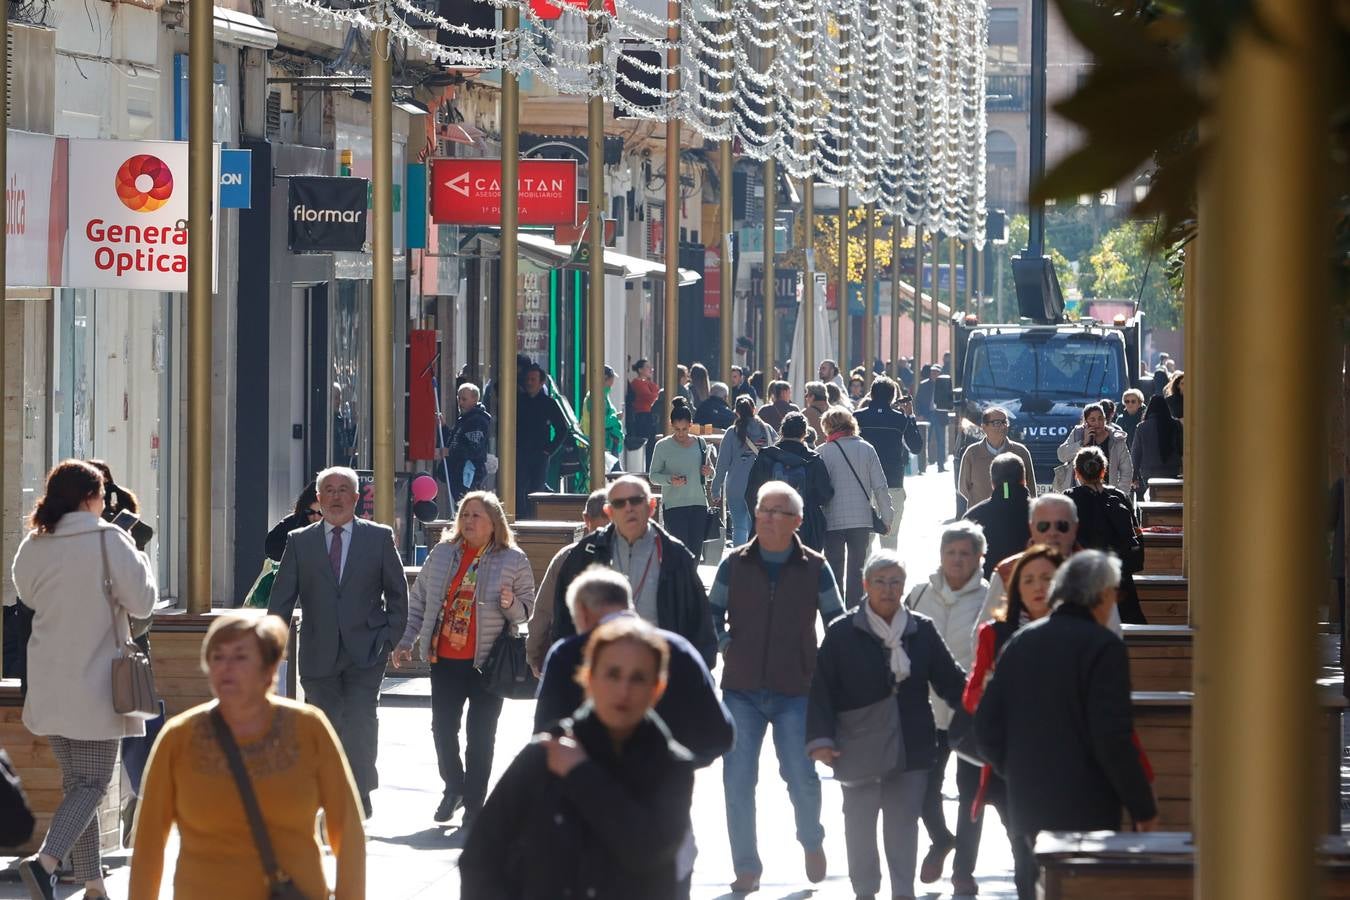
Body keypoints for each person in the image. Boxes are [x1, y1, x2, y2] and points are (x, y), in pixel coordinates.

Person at [129, 614, 364, 900]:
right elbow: (149, 844)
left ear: (269, 669)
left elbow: (349, 831)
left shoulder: (309, 728)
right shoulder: (178, 738)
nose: (226, 667)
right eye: (217, 657)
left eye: (240, 657)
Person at [459, 617, 696, 900]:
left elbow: (648, 848)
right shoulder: (543, 756)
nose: (624, 690)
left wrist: (580, 772)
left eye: (638, 678)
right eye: (613, 674)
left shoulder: (671, 766)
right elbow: (480, 856)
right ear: (589, 679)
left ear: (656, 689)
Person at [11, 460, 158, 900]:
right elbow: (144, 602)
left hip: (48, 681)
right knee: (93, 787)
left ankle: (94, 885)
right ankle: (46, 863)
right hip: (99, 683)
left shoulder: (35, 543)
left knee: (79, 786)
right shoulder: (110, 538)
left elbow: (26, 593)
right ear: (90, 498)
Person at [975, 551, 1158, 900]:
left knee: (1033, 888)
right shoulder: (1104, 647)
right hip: (1088, 806)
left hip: (1027, 803)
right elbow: (1112, 737)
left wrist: (1017, 770)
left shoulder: (1021, 641)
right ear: (1102, 594)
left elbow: (985, 729)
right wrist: (1142, 807)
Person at [806, 551, 967, 900]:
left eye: (895, 582)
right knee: (859, 830)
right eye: (880, 582)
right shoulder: (842, 632)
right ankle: (865, 892)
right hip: (856, 747)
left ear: (904, 586)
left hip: (911, 747)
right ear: (866, 585)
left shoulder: (920, 630)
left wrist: (981, 708)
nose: (888, 590)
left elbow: (952, 683)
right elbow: (821, 691)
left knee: (903, 829)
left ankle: (902, 894)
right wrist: (820, 739)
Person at [709, 482, 845, 892]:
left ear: (797, 521)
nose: (766, 516)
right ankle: (746, 866)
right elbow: (711, 613)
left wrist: (827, 672)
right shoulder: (734, 564)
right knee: (737, 779)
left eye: (777, 511)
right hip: (741, 689)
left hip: (796, 689)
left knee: (801, 776)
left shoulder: (815, 566)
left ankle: (811, 839)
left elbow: (836, 622)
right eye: (762, 509)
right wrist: (727, 644)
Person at [268, 465, 409, 819]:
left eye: (343, 489)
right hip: (318, 651)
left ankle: (359, 790)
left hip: (367, 649)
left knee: (361, 721)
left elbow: (397, 594)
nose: (335, 496)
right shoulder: (300, 542)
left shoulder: (378, 538)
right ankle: (328, 789)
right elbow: (282, 599)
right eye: (328, 490)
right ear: (318, 498)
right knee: (325, 724)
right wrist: (271, 646)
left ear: (356, 498)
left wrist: (389, 637)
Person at [391, 491, 535, 825]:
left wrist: (510, 602)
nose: (469, 521)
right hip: (444, 657)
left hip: (487, 662)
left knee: (481, 735)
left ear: (493, 523)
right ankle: (453, 786)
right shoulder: (442, 554)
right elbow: (420, 601)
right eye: (465, 514)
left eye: (476, 516)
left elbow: (525, 611)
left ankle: (474, 805)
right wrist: (406, 640)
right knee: (442, 729)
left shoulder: (513, 559)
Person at [534, 566, 733, 764]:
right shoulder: (679, 649)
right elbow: (718, 736)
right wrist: (674, 768)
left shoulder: (567, 654)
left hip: (584, 789)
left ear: (583, 613)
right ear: (628, 605)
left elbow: (545, 738)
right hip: (662, 792)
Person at [962, 545, 1066, 900]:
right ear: (1016, 589)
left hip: (1066, 769)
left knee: (1060, 863)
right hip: (1013, 769)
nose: (1038, 588)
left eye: (1048, 580)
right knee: (1025, 857)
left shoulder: (1078, 634)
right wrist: (990, 690)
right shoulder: (996, 634)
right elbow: (972, 695)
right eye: (1029, 580)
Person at [550, 476, 717, 668]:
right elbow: (563, 619)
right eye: (619, 503)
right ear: (609, 512)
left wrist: (696, 673)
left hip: (660, 671)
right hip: (601, 674)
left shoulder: (675, 555)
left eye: (636, 500)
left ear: (652, 506)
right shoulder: (586, 552)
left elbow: (700, 622)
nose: (628, 508)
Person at [907, 523, 989, 896]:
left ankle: (963, 869)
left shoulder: (990, 600)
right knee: (924, 788)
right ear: (940, 555)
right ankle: (941, 839)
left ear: (978, 558)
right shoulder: (920, 594)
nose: (957, 560)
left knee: (971, 791)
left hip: (972, 711)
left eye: (965, 553)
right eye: (951, 552)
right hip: (925, 710)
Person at [526, 490, 610, 674]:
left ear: (585, 518)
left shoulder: (566, 556)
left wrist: (533, 653)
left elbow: (543, 610)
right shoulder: (631, 556)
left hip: (570, 651)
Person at [818, 406, 894, 609]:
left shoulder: (822, 452)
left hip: (832, 519)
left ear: (827, 427)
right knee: (857, 570)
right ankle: (853, 612)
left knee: (834, 569)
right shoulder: (867, 448)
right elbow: (880, 486)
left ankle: (835, 613)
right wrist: (887, 518)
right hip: (861, 520)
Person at [1068, 447, 1146, 624]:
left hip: (1085, 580)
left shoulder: (1070, 499)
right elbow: (1137, 535)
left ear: (1076, 473)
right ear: (1104, 471)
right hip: (1120, 580)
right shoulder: (1120, 496)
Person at [743, 412, 834, 551]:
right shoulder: (813, 460)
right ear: (804, 433)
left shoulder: (766, 456)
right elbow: (824, 494)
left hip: (770, 524)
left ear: (782, 431)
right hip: (805, 528)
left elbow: (751, 493)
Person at [854, 377, 925, 550]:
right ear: (893, 397)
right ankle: (889, 572)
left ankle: (864, 575)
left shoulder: (856, 417)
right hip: (892, 482)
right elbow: (916, 447)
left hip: (862, 483)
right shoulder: (900, 419)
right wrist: (910, 416)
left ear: (871, 394)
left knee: (864, 539)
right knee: (890, 537)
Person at [648, 397, 716, 560]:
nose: (681, 434)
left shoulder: (701, 443)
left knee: (696, 552)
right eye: (677, 429)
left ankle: (691, 584)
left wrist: (709, 472)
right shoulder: (662, 446)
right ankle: (681, 584)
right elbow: (653, 476)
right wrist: (671, 480)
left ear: (691, 425)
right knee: (680, 553)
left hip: (699, 505)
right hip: (674, 506)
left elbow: (711, 473)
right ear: (671, 426)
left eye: (684, 429)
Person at [711, 396, 779, 546]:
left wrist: (715, 490)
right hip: (762, 486)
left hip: (736, 486)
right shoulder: (767, 430)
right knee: (760, 526)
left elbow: (722, 465)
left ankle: (739, 562)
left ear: (736, 413)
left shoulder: (731, 432)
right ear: (754, 409)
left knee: (740, 527)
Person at [964, 453, 1032, 579]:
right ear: (1024, 480)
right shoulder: (1042, 513)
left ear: (992, 483)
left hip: (986, 592)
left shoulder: (973, 517)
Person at [957, 406, 1037, 509]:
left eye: (1005, 422)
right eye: (996, 423)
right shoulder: (972, 453)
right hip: (982, 517)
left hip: (1013, 515)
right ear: (984, 427)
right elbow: (963, 487)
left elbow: (1030, 486)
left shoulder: (1020, 452)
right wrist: (981, 503)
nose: (1003, 426)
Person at [517, 365, 571, 513]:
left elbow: (562, 429)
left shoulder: (549, 403)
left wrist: (549, 450)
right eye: (527, 379)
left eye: (533, 379)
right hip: (519, 454)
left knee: (536, 491)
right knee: (518, 489)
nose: (529, 382)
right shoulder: (517, 402)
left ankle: (534, 522)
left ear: (541, 383)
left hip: (539, 455)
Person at [1055, 402, 1133, 491]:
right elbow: (1061, 456)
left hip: (1107, 493)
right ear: (1086, 422)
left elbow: (1127, 470)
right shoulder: (1078, 433)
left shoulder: (1116, 438)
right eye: (1092, 420)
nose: (1097, 423)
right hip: (1080, 492)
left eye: (1100, 419)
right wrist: (1083, 443)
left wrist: (1120, 493)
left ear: (1105, 420)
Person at [444, 383, 493, 506]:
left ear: (475, 399)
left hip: (468, 473)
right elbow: (455, 441)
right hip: (458, 471)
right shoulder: (465, 420)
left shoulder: (476, 420)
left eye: (464, 399)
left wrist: (450, 452)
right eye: (459, 398)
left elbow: (474, 450)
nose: (460, 403)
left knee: (466, 504)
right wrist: (444, 428)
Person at [1131, 393, 1183, 491]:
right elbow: (1182, 447)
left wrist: (1134, 475)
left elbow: (1136, 453)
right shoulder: (1176, 425)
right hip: (1172, 470)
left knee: (1153, 497)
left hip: (1149, 472)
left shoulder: (1142, 427)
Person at [265, 485, 321, 563]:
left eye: (321, 512)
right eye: (310, 512)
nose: (315, 517)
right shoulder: (293, 522)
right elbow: (271, 548)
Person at [625, 358, 663, 469]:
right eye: (647, 367)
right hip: (641, 416)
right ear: (640, 370)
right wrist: (655, 393)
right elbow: (650, 397)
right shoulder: (636, 383)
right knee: (647, 443)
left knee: (652, 443)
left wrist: (654, 392)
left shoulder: (647, 383)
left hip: (648, 416)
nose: (650, 369)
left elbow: (655, 391)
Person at [582, 365, 626, 460]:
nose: (613, 382)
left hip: (607, 442)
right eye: (612, 378)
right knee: (613, 472)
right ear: (606, 378)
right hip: (603, 443)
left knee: (613, 472)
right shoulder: (597, 395)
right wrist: (616, 418)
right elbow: (600, 421)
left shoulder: (602, 394)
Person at [916, 365, 949, 472]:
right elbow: (918, 401)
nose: (934, 374)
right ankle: (922, 466)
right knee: (925, 440)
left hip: (939, 415)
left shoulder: (944, 385)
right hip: (927, 415)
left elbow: (949, 401)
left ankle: (941, 466)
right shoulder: (924, 385)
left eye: (936, 372)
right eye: (932, 372)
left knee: (941, 441)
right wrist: (919, 414)